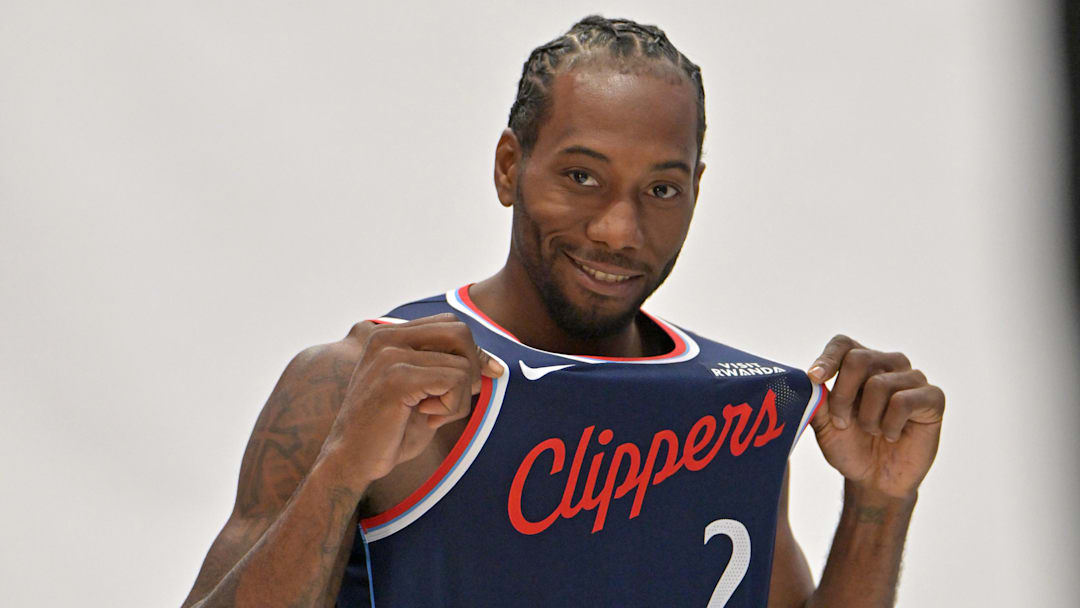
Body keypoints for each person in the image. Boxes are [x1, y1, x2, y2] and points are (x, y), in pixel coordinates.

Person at [182, 16, 945, 608]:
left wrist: (879, 502)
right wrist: (342, 470)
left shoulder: (730, 413)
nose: (619, 229)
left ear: (697, 192)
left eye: (662, 189)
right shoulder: (360, 383)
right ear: (510, 166)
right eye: (582, 176)